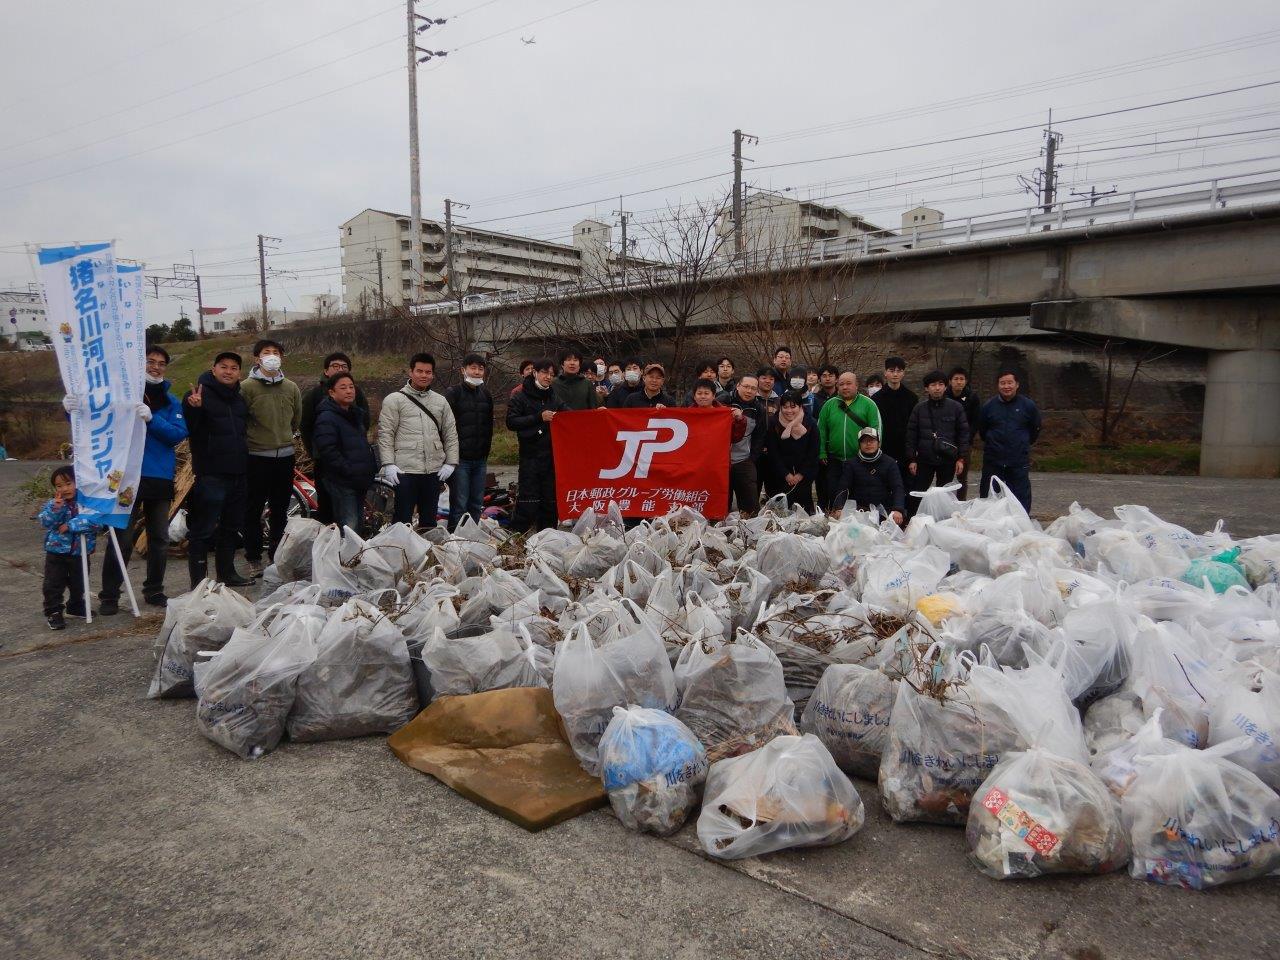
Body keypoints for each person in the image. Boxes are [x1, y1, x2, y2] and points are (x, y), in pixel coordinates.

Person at [98, 346, 188, 612]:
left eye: (161, 363)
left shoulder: (172, 402)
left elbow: (177, 435)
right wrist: (71, 409)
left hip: (158, 477)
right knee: (121, 538)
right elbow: (97, 418)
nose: (156, 367)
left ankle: (154, 590)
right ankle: (109, 595)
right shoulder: (124, 396)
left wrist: (151, 419)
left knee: (159, 538)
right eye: (150, 361)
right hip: (127, 478)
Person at [184, 351, 253, 587]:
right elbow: (190, 428)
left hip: (238, 472)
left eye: (234, 368)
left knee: (231, 527)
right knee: (202, 529)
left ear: (239, 374)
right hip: (211, 473)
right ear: (214, 369)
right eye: (223, 366)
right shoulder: (198, 395)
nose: (228, 371)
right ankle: (199, 581)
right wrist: (193, 408)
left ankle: (227, 573)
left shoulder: (239, 399)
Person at [240, 339, 302, 575]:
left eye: (276, 352)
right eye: (267, 352)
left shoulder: (291, 387)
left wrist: (286, 435)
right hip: (256, 456)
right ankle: (253, 557)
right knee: (253, 508)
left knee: (280, 509)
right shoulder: (246, 387)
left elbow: (297, 418)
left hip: (285, 456)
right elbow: (241, 420)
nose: (272, 356)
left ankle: (275, 556)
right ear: (257, 358)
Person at [377, 353, 460, 530]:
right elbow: (386, 434)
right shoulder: (395, 400)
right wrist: (388, 463)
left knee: (429, 518)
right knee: (402, 517)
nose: (424, 375)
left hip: (433, 470)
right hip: (404, 470)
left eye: (428, 372)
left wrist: (451, 463)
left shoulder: (440, 401)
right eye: (419, 371)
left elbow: (450, 433)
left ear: (433, 374)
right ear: (411, 372)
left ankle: (426, 553)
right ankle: (400, 551)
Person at [300, 352, 369, 524]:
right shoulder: (314, 395)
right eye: (335, 366)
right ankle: (329, 544)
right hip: (326, 463)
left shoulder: (356, 393)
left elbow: (364, 422)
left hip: (352, 463)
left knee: (353, 511)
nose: (339, 369)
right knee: (329, 508)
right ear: (326, 370)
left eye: (344, 367)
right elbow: (305, 427)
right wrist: (315, 452)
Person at [311, 372, 377, 535]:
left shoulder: (354, 414)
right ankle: (342, 558)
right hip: (342, 480)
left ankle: (353, 557)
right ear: (332, 393)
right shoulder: (327, 416)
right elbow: (328, 450)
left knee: (358, 523)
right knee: (348, 524)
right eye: (343, 387)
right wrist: (348, 470)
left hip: (358, 479)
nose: (349, 391)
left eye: (351, 387)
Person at [506, 358, 567, 532]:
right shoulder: (521, 395)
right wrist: (539, 417)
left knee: (549, 501)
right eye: (544, 373)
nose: (548, 377)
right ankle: (518, 536)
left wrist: (594, 415)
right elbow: (511, 421)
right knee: (528, 499)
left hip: (550, 456)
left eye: (552, 374)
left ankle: (548, 536)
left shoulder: (553, 395)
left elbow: (569, 414)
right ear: (535, 373)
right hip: (530, 456)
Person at [39, 466, 98, 629]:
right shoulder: (55, 504)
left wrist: (71, 525)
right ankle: (53, 611)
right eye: (59, 486)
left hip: (80, 551)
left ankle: (76, 605)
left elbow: (95, 522)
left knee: (79, 581)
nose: (64, 489)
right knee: (53, 583)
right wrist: (54, 509)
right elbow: (45, 522)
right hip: (56, 552)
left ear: (78, 482)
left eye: (68, 483)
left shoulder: (87, 503)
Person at [904, 370, 970, 516]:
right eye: (933, 384)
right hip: (924, 459)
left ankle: (944, 521)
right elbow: (911, 435)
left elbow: (963, 433)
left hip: (948, 458)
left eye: (941, 384)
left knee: (945, 494)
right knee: (918, 493)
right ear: (927, 388)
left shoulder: (956, 408)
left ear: (946, 387)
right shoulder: (919, 408)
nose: (937, 388)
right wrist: (912, 459)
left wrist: (961, 458)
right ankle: (914, 520)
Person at [817, 371, 882, 511]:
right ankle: (835, 520)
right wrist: (822, 452)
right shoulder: (829, 405)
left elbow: (877, 430)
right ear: (837, 386)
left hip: (860, 459)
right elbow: (821, 430)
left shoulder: (868, 404)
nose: (845, 387)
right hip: (835, 459)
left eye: (848, 383)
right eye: (841, 384)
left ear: (856, 385)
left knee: (858, 494)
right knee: (834, 492)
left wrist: (874, 454)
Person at [977, 370, 1041, 511]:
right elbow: (982, 430)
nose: (1006, 386)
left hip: (1018, 459)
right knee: (989, 494)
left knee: (1020, 495)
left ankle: (1022, 523)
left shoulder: (1028, 406)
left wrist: (1022, 443)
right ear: (998, 385)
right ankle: (987, 525)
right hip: (993, 459)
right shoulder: (988, 407)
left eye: (1010, 383)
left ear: (1017, 384)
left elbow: (1035, 429)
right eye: (1003, 383)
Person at [443, 353, 494, 530]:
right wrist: (449, 457)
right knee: (459, 503)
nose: (477, 372)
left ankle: (472, 538)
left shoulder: (486, 394)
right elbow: (445, 426)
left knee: (476, 503)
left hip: (480, 458)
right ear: (463, 370)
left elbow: (489, 425)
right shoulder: (453, 393)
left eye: (481, 368)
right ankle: (454, 540)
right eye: (473, 368)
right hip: (460, 459)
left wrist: (486, 452)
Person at [761, 391, 820, 512]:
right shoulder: (774, 423)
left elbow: (813, 451)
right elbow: (773, 451)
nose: (789, 411)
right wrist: (786, 474)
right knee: (781, 511)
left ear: (800, 406)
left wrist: (800, 474)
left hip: (803, 475)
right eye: (785, 407)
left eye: (793, 407)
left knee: (803, 511)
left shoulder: (810, 423)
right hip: (779, 475)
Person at [834, 428, 905, 524]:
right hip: (858, 511)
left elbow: (898, 487)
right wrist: (839, 508)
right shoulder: (851, 464)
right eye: (864, 441)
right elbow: (843, 488)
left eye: (872, 440)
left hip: (883, 511)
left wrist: (898, 509)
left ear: (878, 443)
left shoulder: (890, 463)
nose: (868, 444)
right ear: (859, 445)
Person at [719, 375, 767, 514]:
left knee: (750, 504)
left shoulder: (759, 409)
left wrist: (752, 458)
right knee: (721, 502)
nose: (749, 391)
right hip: (721, 460)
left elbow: (760, 436)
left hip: (743, 459)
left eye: (753, 388)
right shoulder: (724, 400)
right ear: (738, 386)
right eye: (746, 386)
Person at [872, 356, 917, 488]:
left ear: (903, 373)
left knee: (906, 484)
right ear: (885, 373)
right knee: (884, 484)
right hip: (884, 448)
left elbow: (914, 426)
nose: (895, 374)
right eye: (891, 370)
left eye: (899, 370)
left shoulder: (911, 398)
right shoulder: (876, 399)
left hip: (905, 449)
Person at [948, 366, 982, 500]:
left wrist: (968, 439)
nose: (959, 382)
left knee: (962, 477)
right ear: (950, 381)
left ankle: (961, 504)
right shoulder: (944, 396)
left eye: (962, 379)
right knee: (946, 477)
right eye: (956, 379)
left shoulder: (972, 397)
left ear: (966, 381)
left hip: (965, 443)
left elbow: (976, 421)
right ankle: (945, 505)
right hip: (946, 442)